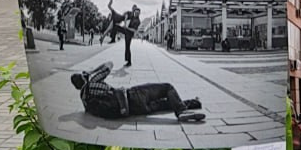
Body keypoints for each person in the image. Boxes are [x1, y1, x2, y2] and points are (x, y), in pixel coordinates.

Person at [71, 63, 204, 124]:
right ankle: (181, 111)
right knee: (167, 88)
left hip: (134, 110)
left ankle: (194, 103)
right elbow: (109, 64)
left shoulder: (84, 100)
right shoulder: (92, 82)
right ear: (84, 78)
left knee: (164, 104)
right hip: (133, 95)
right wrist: (91, 72)